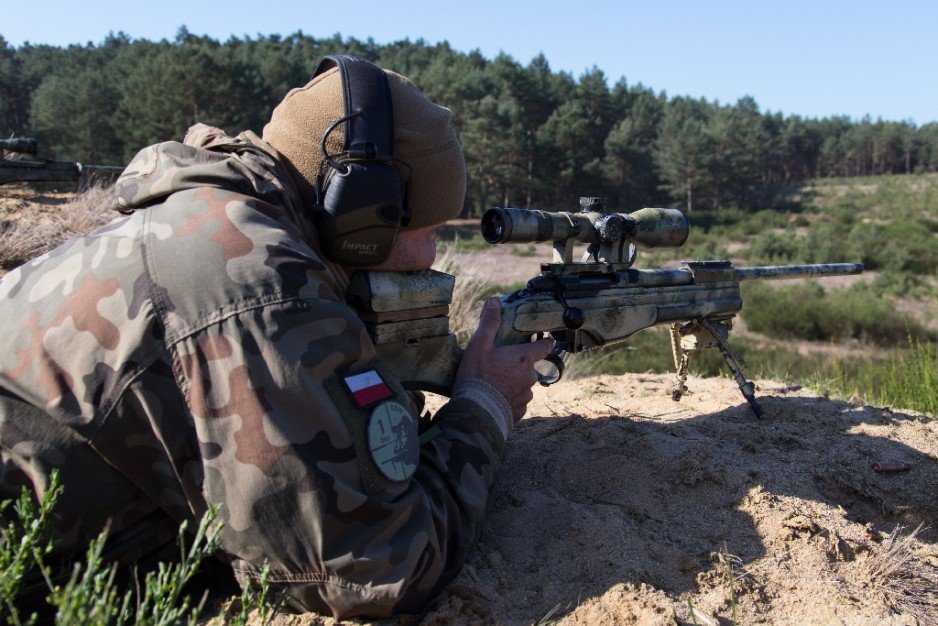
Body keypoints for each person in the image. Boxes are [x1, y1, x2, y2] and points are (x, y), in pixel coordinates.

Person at [0, 56, 551, 618]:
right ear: (359, 211)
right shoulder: (259, 285)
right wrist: (484, 404)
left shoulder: (213, 216)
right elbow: (377, 565)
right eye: (426, 229)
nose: (432, 255)